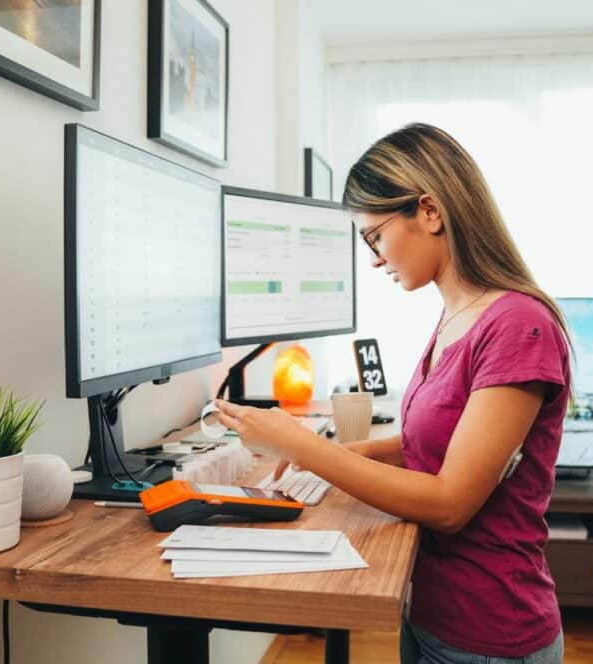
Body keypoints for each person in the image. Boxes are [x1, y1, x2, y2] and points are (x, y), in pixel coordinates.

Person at [213, 123, 570, 663]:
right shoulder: (458, 316)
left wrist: (303, 445)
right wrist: (333, 459)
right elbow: (431, 442)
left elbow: (450, 504)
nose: (375, 258)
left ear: (429, 211)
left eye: (374, 236)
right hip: (433, 613)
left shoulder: (519, 325)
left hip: (488, 631)